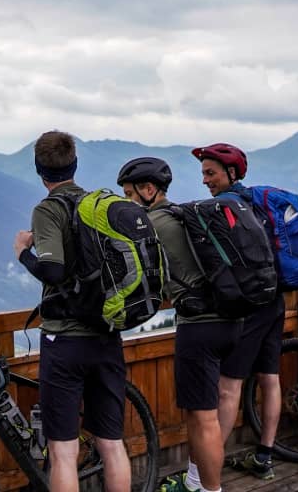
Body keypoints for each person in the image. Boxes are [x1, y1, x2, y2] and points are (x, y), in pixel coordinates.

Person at [13, 130, 131, 492]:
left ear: (38, 169)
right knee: (111, 444)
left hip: (65, 340)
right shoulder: (97, 205)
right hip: (106, 334)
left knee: (63, 450)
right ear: (75, 165)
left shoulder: (49, 210)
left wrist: (23, 253)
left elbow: (54, 271)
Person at [118, 157, 241, 492]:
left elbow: (137, 281)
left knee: (203, 419)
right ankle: (198, 484)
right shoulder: (183, 213)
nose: (127, 203)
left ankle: (211, 490)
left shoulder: (152, 225)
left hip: (199, 326)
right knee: (208, 417)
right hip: (231, 319)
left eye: (129, 194)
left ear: (148, 190)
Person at [192, 143, 284, 481]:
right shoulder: (258, 204)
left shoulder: (225, 210)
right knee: (269, 379)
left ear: (231, 173)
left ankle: (207, 472)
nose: (205, 180)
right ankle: (265, 456)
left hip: (250, 308)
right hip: (275, 300)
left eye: (211, 173)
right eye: (203, 173)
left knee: (228, 388)